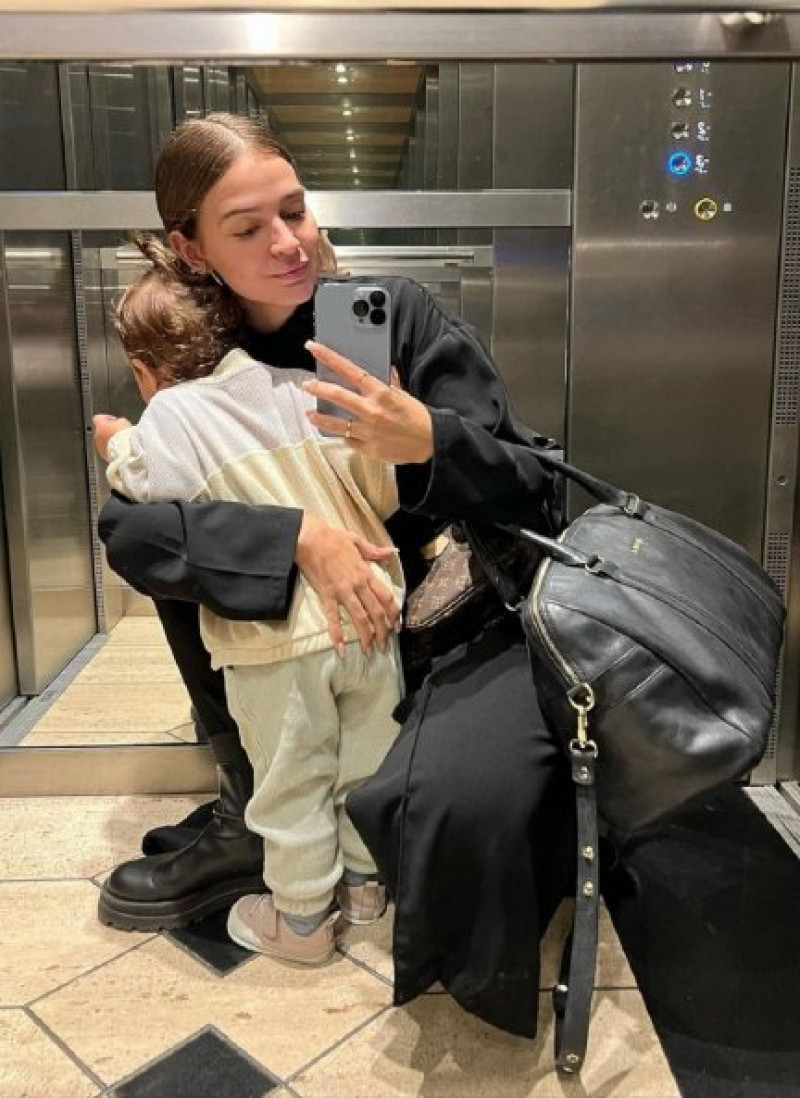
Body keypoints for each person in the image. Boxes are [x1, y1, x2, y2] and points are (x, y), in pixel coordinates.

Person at [98, 112, 575, 1038]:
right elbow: (131, 530)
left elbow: (534, 490)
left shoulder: (397, 318)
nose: (289, 244)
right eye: (247, 228)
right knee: (176, 547)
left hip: (442, 622)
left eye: (296, 211)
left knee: (461, 818)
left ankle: (337, 842)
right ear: (192, 252)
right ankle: (256, 809)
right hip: (296, 638)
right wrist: (293, 536)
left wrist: (428, 440)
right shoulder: (200, 350)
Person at [95, 234, 405, 964]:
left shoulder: (169, 414)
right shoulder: (299, 387)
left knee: (292, 779)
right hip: (370, 618)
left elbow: (150, 496)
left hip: (279, 643)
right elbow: (376, 494)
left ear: (148, 371)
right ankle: (365, 891)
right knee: (364, 765)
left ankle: (299, 921)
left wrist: (116, 442)